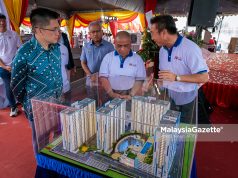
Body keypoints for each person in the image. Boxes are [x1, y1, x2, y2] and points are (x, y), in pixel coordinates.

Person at [10, 8, 63, 154]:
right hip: (38, 106)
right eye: (54, 29)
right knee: (41, 142)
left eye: (59, 28)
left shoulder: (56, 48)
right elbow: (16, 85)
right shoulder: (24, 53)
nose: (58, 33)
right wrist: (29, 103)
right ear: (38, 30)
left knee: (60, 136)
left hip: (58, 101)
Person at [150, 15, 209, 124]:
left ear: (163, 33)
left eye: (152, 33)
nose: (152, 37)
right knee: (169, 128)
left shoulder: (190, 48)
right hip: (168, 97)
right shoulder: (163, 50)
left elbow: (204, 77)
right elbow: (166, 75)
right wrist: (156, 80)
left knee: (183, 130)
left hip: (187, 99)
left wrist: (176, 77)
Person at [99, 31, 146, 100]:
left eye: (126, 45)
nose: (122, 49)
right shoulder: (108, 57)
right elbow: (103, 77)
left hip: (130, 93)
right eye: (119, 46)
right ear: (114, 44)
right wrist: (111, 93)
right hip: (110, 92)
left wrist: (131, 95)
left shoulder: (137, 59)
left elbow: (139, 79)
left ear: (130, 44)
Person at [0, 13, 21, 117]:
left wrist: (15, 63)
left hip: (15, 65)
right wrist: (4, 66)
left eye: (3, 21)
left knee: (20, 85)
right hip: (3, 68)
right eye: (0, 21)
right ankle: (13, 107)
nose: (2, 23)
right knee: (8, 87)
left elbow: (19, 49)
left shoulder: (13, 34)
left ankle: (24, 104)